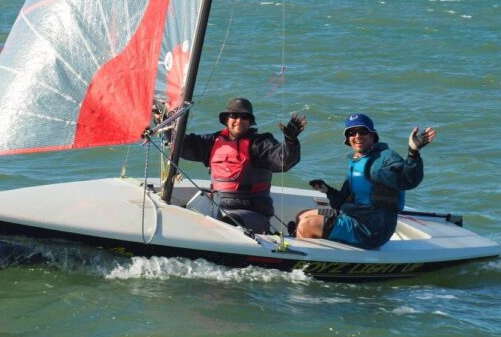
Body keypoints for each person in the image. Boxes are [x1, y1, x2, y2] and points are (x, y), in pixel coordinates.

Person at [295, 113, 436, 249]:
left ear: (372, 136)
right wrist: (328, 190)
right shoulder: (356, 161)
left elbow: (409, 180)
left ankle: (302, 266)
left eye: (362, 132)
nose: (357, 136)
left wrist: (413, 152)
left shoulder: (386, 157)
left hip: (371, 229)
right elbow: (344, 201)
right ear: (347, 139)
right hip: (353, 215)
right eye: (351, 133)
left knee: (308, 224)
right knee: (302, 216)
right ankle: (318, 254)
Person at [176, 97, 307, 233]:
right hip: (216, 209)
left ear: (250, 122)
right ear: (226, 119)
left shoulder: (260, 144)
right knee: (183, 219)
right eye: (234, 115)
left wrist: (290, 141)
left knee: (226, 224)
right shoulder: (212, 141)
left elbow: (283, 161)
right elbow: (181, 145)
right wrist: (165, 122)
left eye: (244, 117)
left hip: (252, 215)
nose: (239, 120)